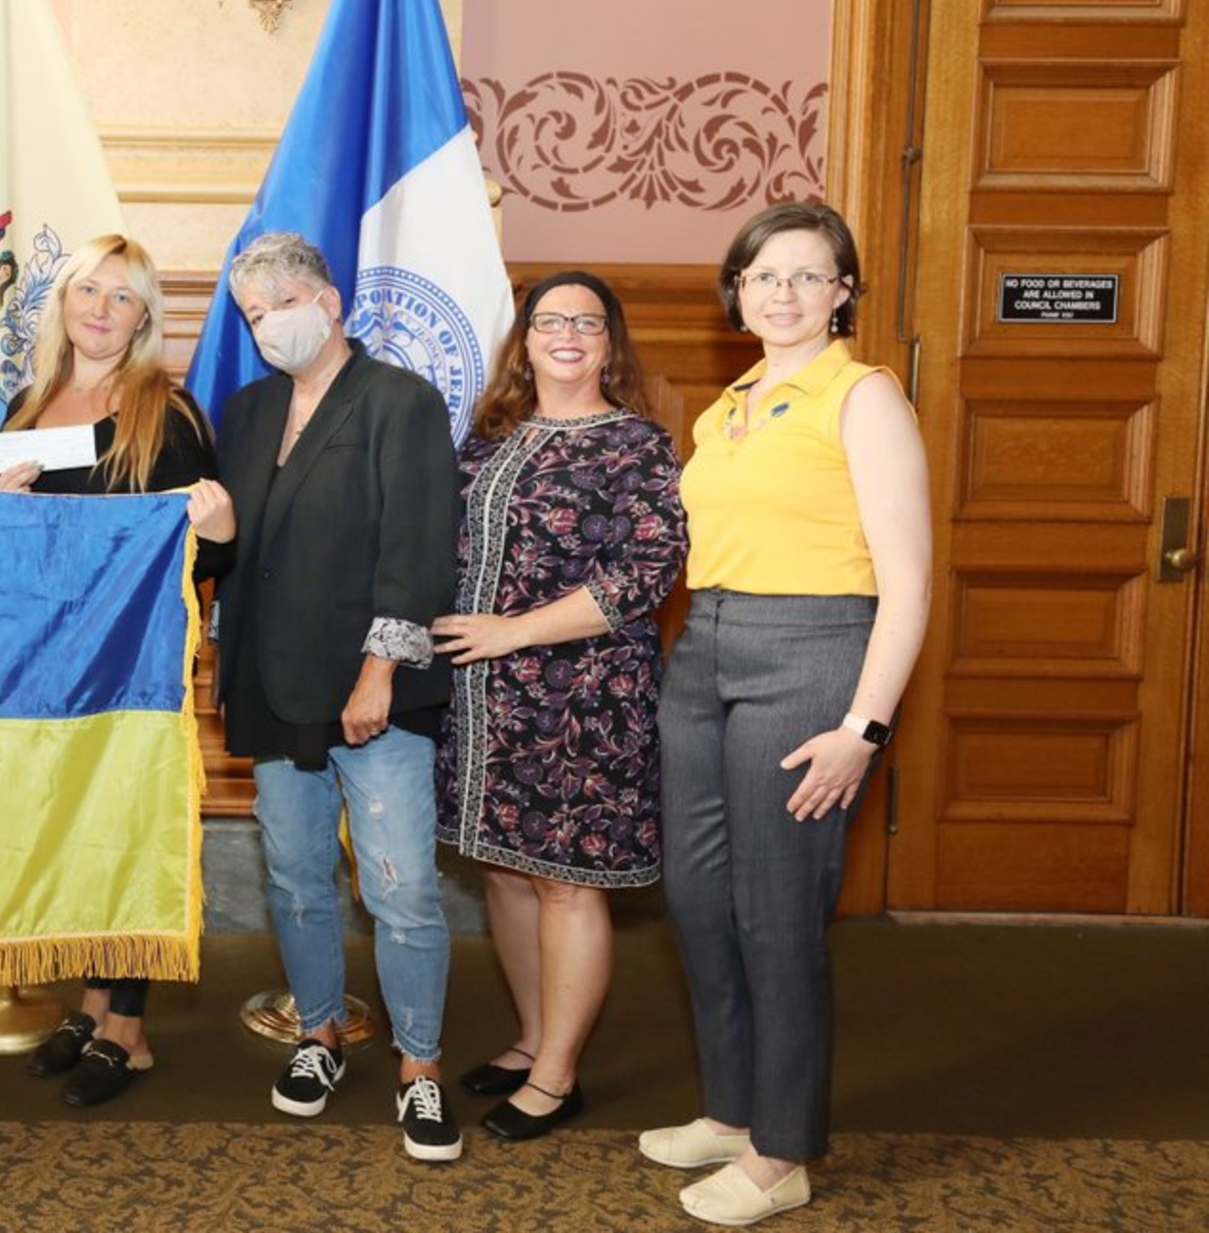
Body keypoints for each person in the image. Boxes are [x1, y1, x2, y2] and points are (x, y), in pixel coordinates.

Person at [644, 202, 929, 1227]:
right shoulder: (727, 408)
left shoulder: (863, 397)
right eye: (764, 275)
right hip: (705, 649)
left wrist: (864, 728)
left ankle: (782, 1152)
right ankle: (733, 1112)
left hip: (812, 651)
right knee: (697, 899)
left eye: (809, 275)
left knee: (775, 913)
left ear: (842, 291)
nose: (784, 293)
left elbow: (908, 583)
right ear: (737, 291)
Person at [210, 232, 465, 1163]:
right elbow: (239, 552)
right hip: (273, 686)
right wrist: (213, 534)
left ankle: (420, 1065)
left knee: (399, 888)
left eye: (280, 305)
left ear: (328, 303)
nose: (266, 326)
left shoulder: (399, 400)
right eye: (252, 315)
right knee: (294, 877)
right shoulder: (248, 410)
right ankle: (317, 1032)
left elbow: (417, 549)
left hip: (372, 689)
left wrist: (379, 672)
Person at [430, 271, 689, 1142]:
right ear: (526, 341)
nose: (568, 335)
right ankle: (534, 1037)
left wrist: (515, 632)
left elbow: (647, 574)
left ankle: (558, 1075)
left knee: (567, 883)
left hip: (585, 701)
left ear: (610, 344)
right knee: (505, 869)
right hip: (484, 702)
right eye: (550, 321)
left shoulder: (637, 444)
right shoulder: (489, 440)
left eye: (588, 322)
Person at [0, 234, 238, 1106]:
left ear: (143, 319)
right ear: (62, 303)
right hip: (44, 667)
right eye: (87, 290)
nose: (100, 309)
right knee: (76, 830)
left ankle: (129, 1028)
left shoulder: (168, 414)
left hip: (132, 669)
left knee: (129, 831)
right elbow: (3, 554)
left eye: (122, 296)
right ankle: (91, 1005)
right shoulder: (27, 406)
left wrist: (220, 531)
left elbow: (206, 557)